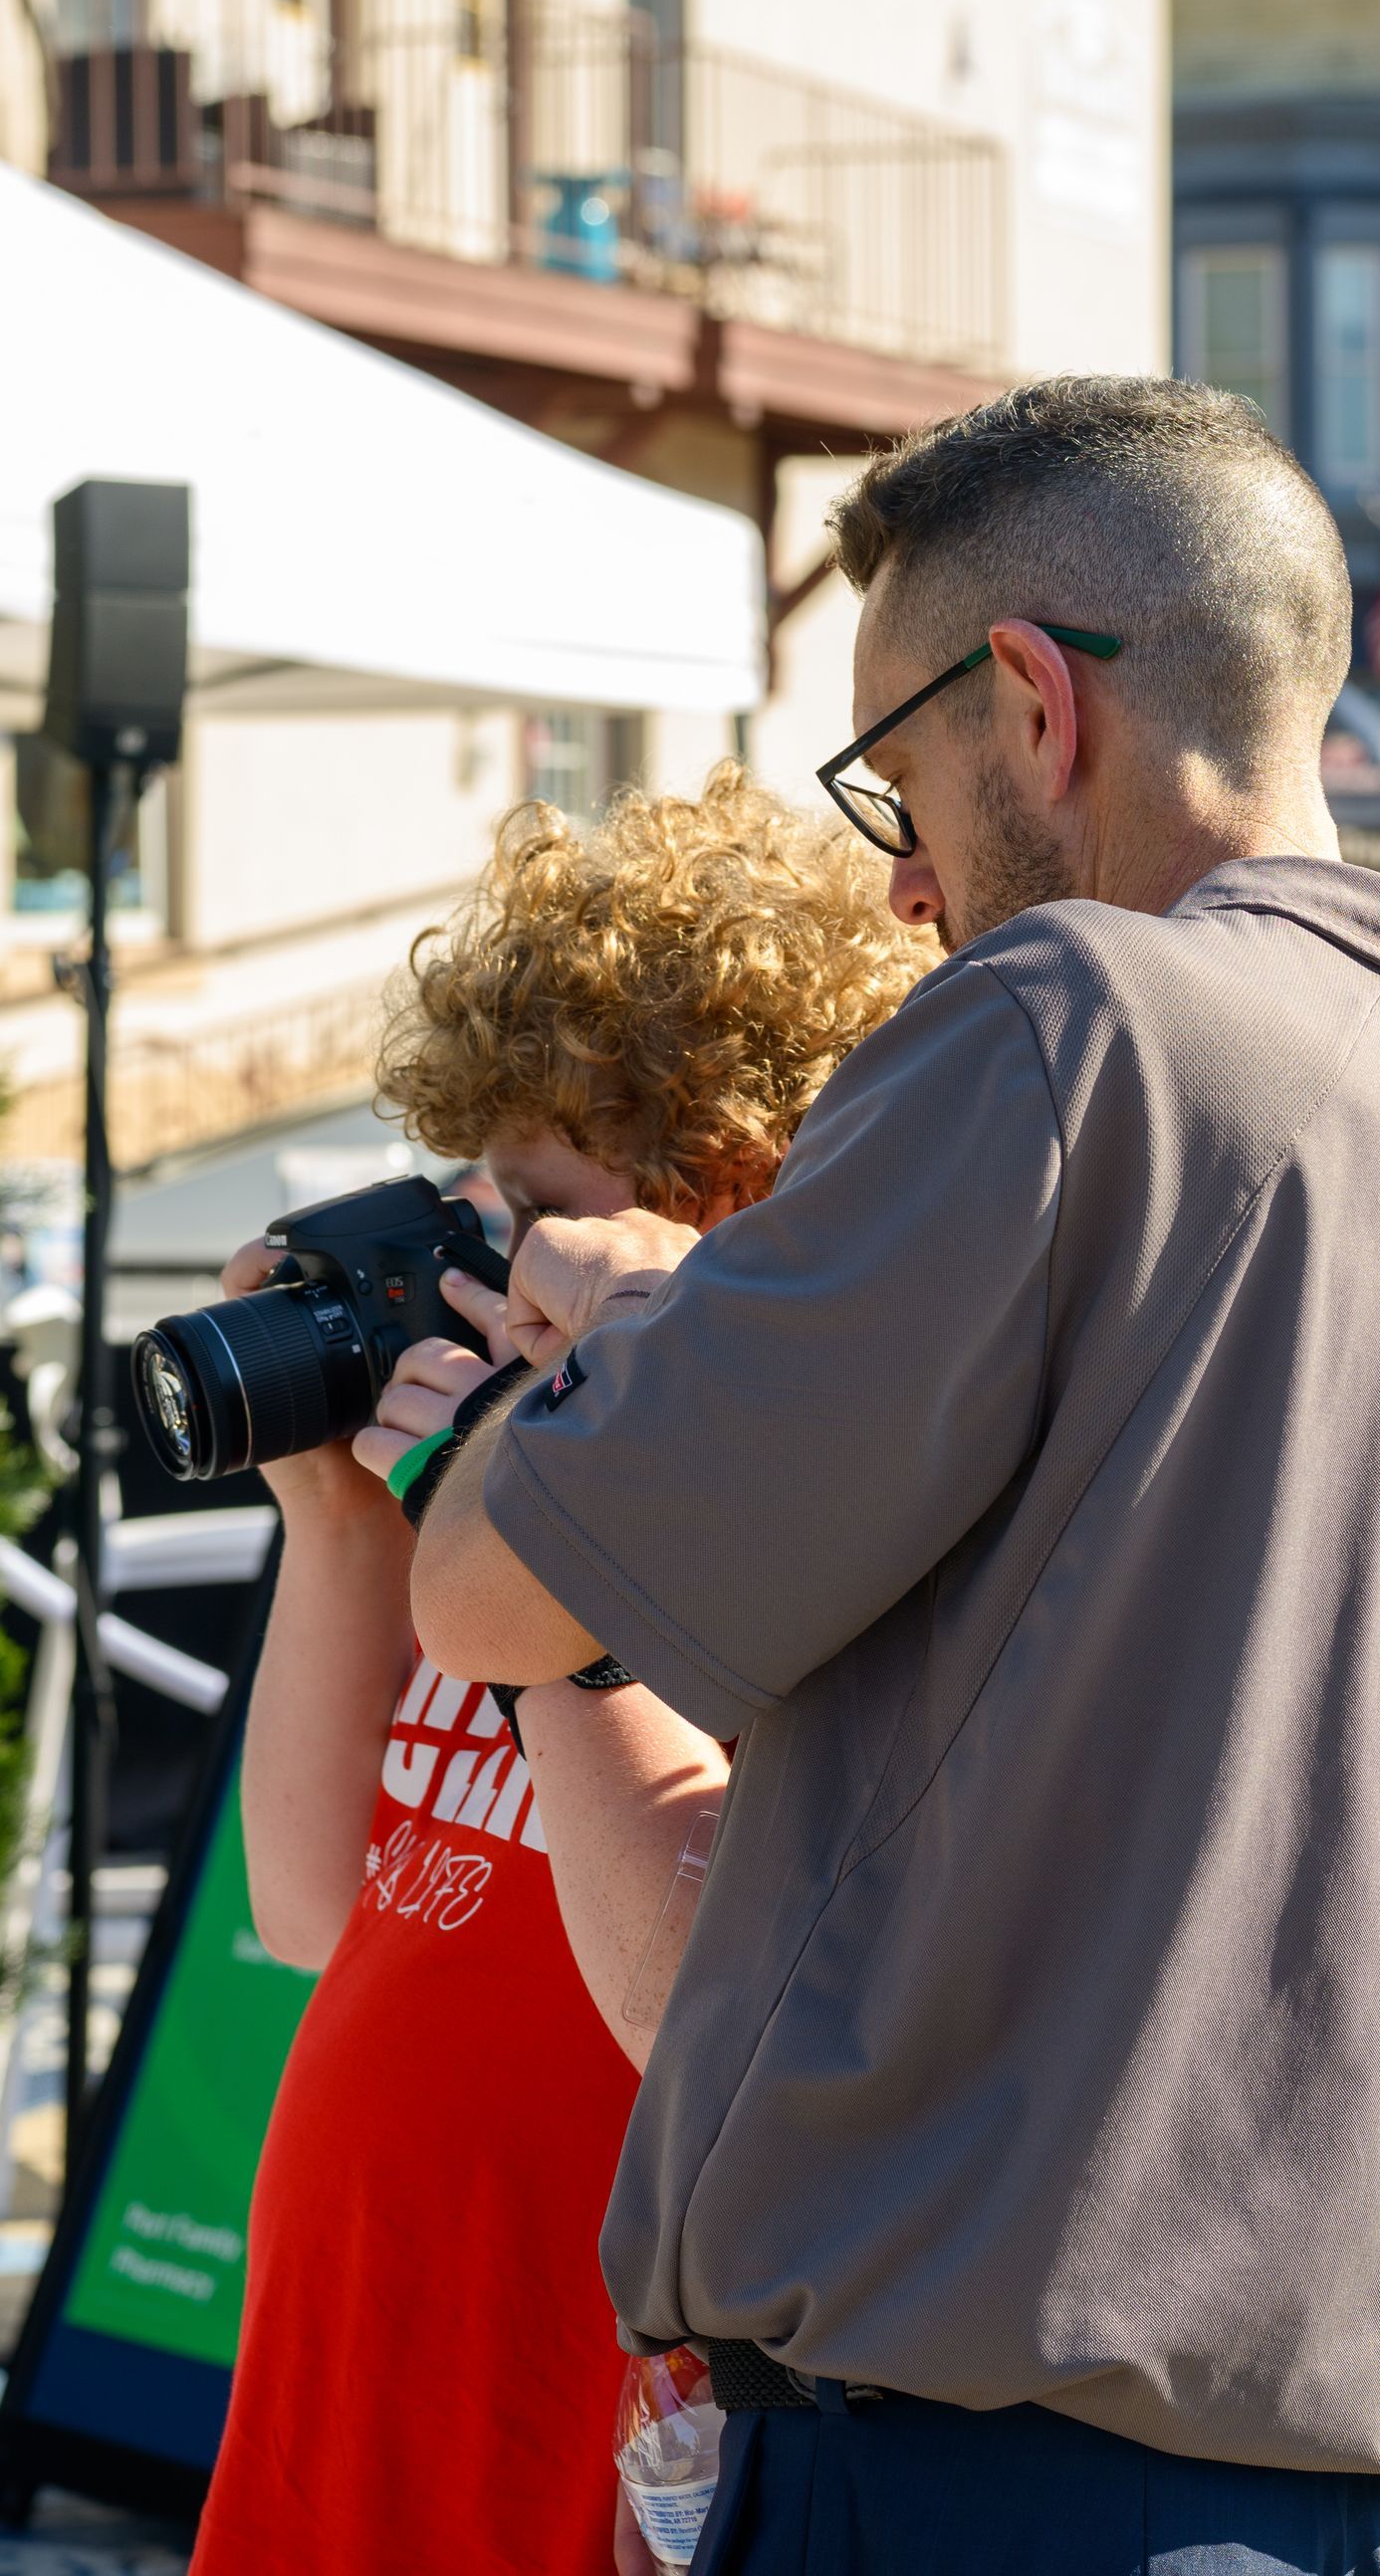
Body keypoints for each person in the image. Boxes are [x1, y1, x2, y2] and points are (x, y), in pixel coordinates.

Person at [393, 378, 1380, 2576]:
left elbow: (494, 1600)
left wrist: (578, 1373)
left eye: (892, 779)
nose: (902, 875)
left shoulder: (1068, 1023)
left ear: (1030, 704)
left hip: (935, 2484)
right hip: (1337, 2506)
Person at [191, 767, 931, 2576]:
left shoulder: (789, 1521)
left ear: (723, 1206)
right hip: (342, 2376)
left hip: (576, 2407)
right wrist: (338, 1519)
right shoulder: (491, 1502)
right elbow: (306, 1912)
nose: (468, 1264)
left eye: (518, 1214)